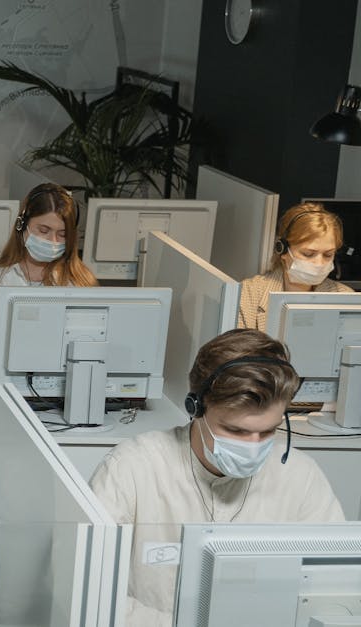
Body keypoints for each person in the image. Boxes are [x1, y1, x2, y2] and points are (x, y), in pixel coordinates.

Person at [90, 328, 344, 627]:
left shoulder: (301, 476)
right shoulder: (132, 468)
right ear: (195, 408)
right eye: (235, 431)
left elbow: (333, 589)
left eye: (268, 431)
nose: (253, 446)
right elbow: (92, 586)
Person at [0, 182, 96, 390]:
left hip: (64, 390)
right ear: (22, 225)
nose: (52, 241)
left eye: (62, 234)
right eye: (43, 230)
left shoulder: (80, 283)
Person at [239, 202, 353, 330]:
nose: (319, 263)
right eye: (308, 254)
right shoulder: (249, 294)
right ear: (282, 250)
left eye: (328, 255)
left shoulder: (345, 298)